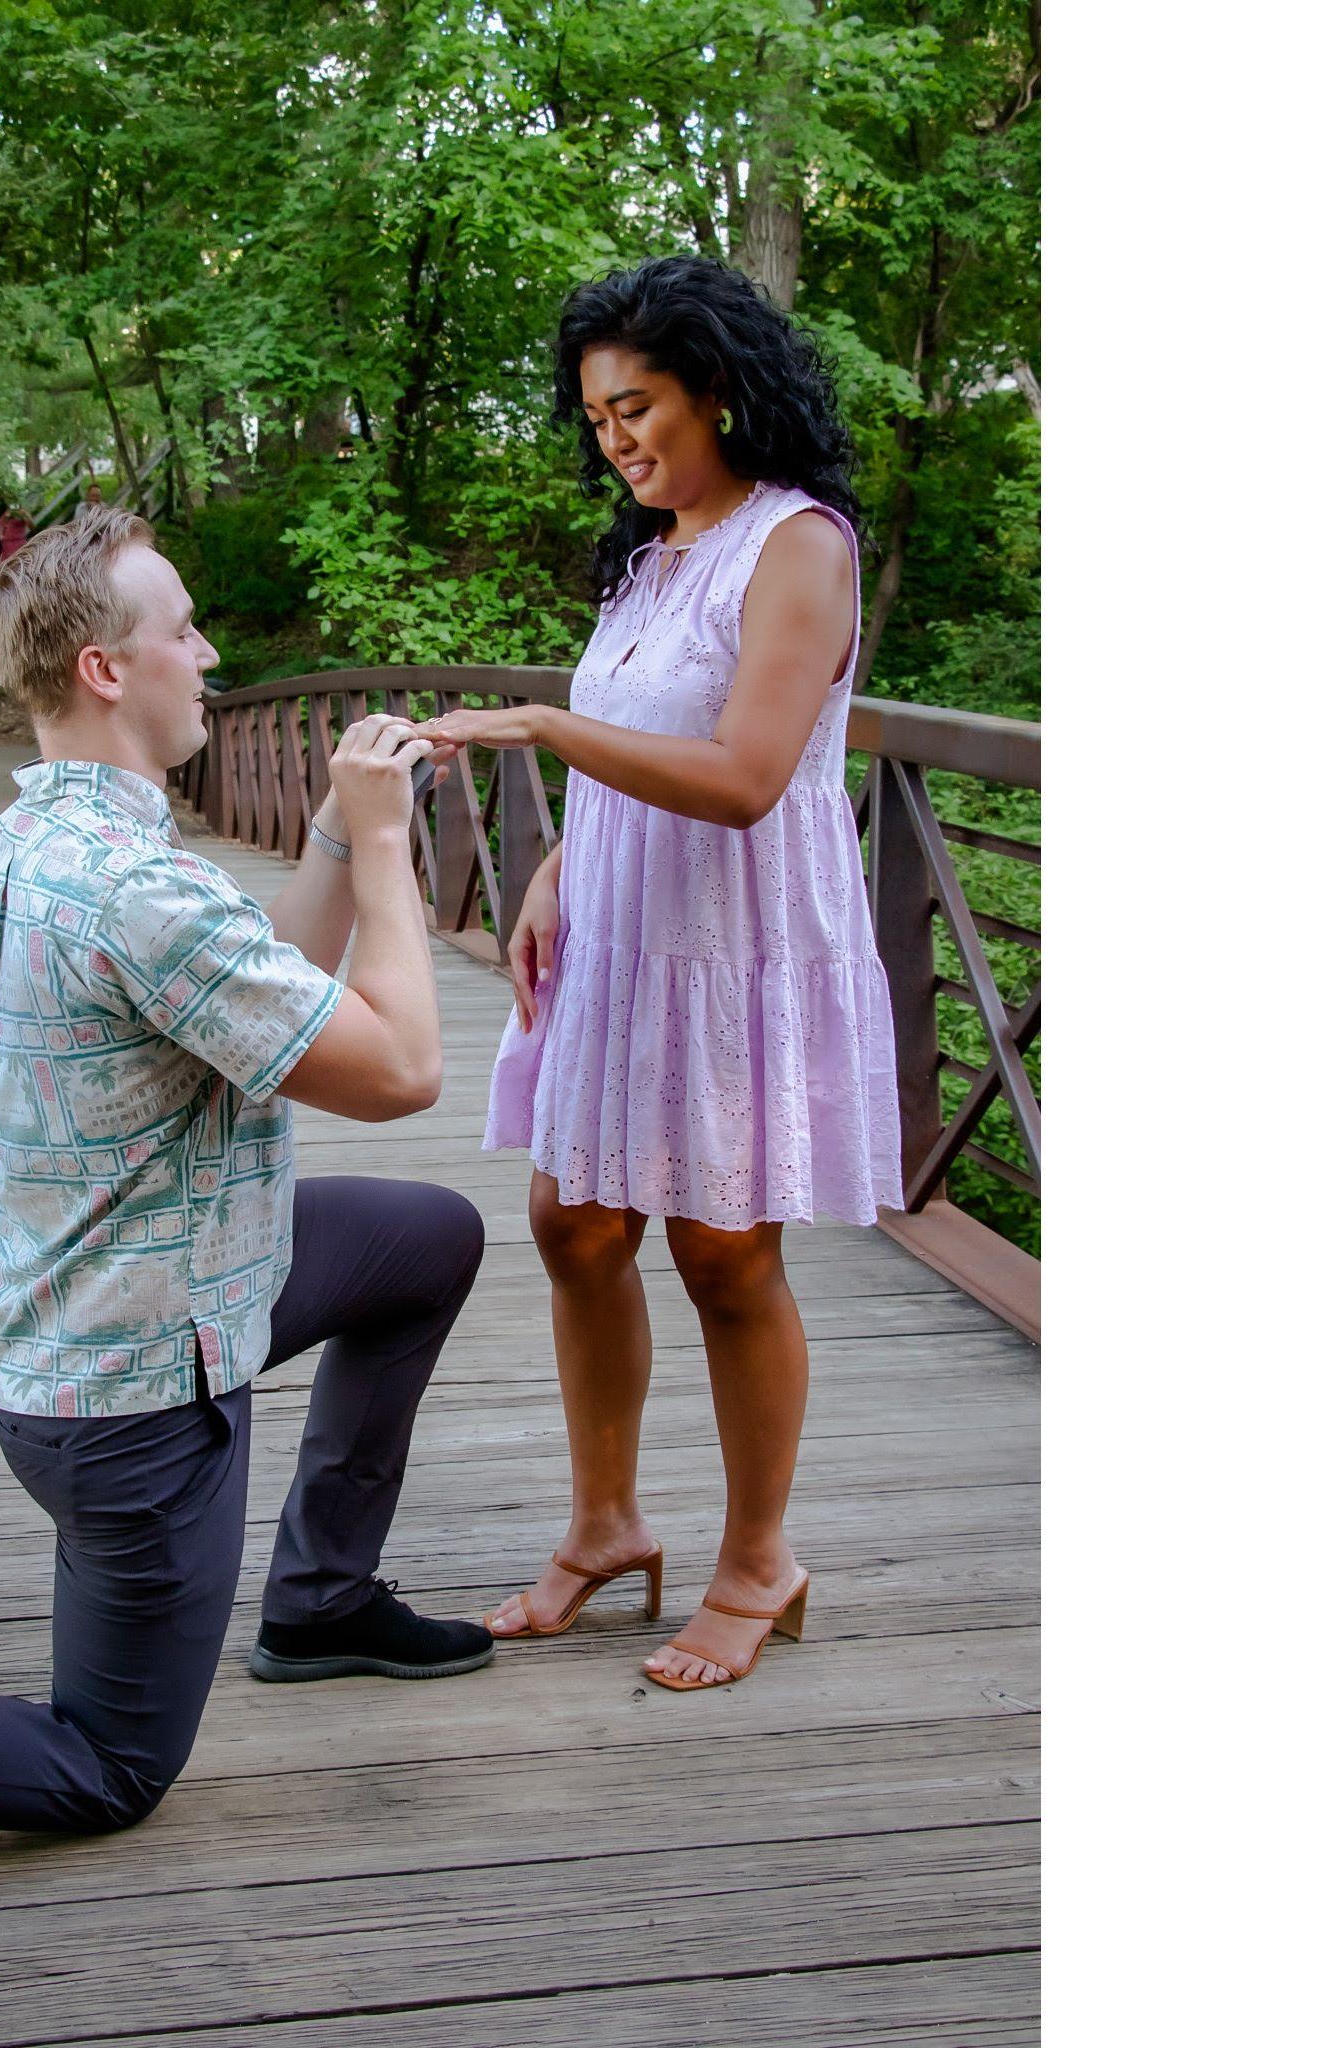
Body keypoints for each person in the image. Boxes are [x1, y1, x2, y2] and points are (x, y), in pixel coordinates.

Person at [0, 507, 489, 1932]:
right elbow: (404, 1069)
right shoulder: (135, 886)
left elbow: (254, 1001)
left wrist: (321, 834)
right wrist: (381, 851)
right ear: (108, 669)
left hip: (165, 1279)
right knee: (107, 1768)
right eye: (183, 629)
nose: (210, 652)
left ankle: (320, 1599)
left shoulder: (44, 831)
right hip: (130, 1399)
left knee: (424, 1239)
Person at [419, 255, 901, 1693]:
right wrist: (560, 866)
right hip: (623, 935)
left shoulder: (797, 545)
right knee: (572, 1220)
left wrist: (541, 730)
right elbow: (644, 737)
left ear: (719, 391)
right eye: (596, 418)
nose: (615, 439)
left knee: (722, 1248)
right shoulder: (652, 556)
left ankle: (759, 1562)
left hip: (738, 942)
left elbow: (746, 777)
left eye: (636, 407)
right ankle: (607, 1525)